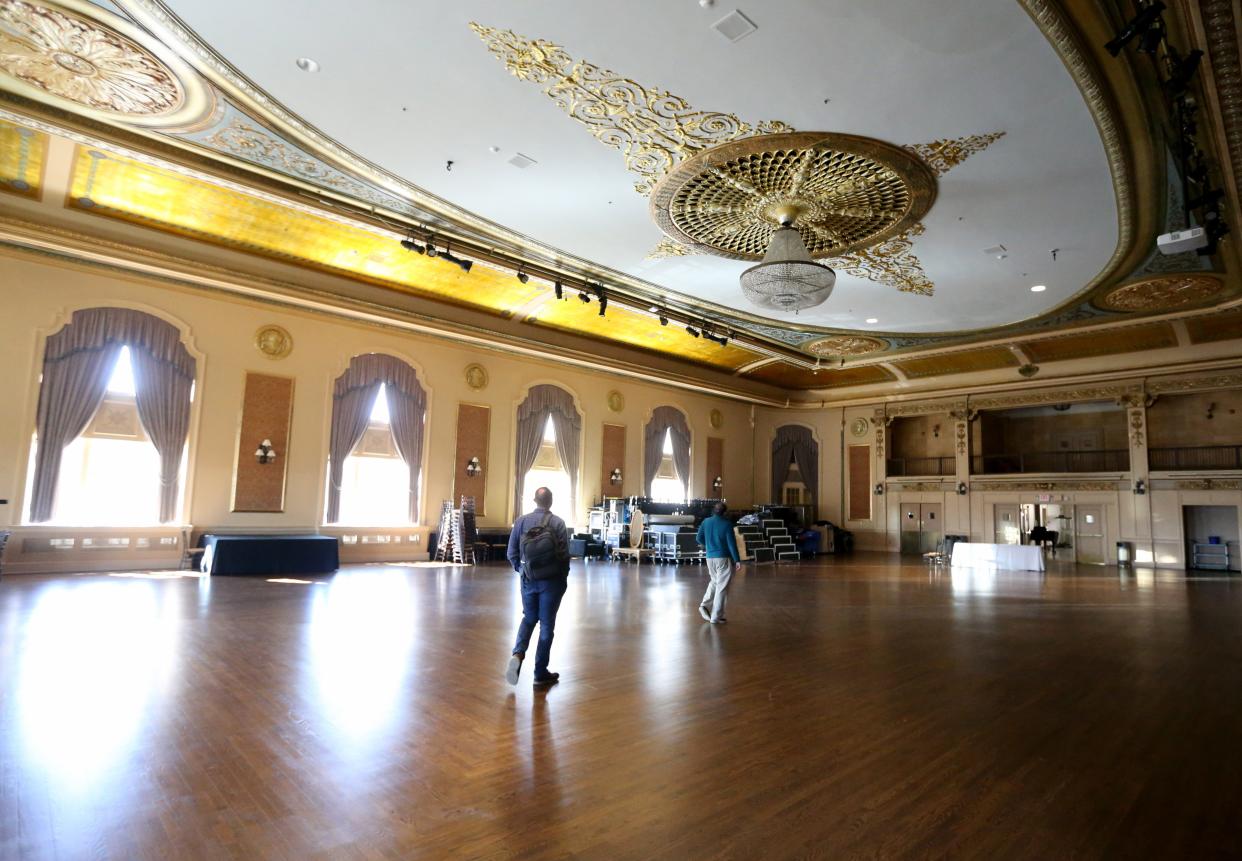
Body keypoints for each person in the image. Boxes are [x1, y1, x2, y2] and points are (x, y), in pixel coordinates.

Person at [505, 486, 570, 686]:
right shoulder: (558, 523)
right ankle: (540, 672)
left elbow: (511, 553)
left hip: (528, 580)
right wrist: (561, 578)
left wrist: (523, 571)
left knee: (529, 618)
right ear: (551, 502)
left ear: (535, 501)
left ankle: (518, 654)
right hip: (552, 583)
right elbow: (565, 556)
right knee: (547, 625)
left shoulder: (521, 521)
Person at [695, 502, 742, 624]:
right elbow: (732, 544)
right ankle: (716, 616)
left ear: (714, 511)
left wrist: (709, 546)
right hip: (723, 558)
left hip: (710, 557)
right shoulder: (727, 524)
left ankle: (704, 605)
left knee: (715, 581)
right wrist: (737, 560)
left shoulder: (706, 522)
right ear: (725, 512)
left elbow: (698, 538)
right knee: (721, 587)